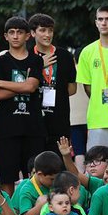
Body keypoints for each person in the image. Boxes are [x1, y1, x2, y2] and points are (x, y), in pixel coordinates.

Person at [0, 16, 46, 188]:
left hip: (33, 127)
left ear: (28, 35)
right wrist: (23, 85)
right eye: (12, 33)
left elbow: (31, 87)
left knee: (35, 176)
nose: (15, 36)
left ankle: (31, 210)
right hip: (7, 128)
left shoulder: (36, 60)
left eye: (20, 32)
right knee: (7, 177)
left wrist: (2, 82)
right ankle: (10, 214)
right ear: (5, 36)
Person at [28, 14, 77, 157]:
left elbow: (72, 89)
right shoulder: (28, 56)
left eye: (50, 30)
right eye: (42, 30)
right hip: (34, 120)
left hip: (59, 120)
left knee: (60, 163)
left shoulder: (65, 56)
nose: (47, 34)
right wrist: (39, 66)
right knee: (35, 164)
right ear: (32, 33)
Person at [77, 5, 108, 151]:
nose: (104, 23)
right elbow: (88, 87)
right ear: (96, 22)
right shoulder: (87, 51)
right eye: (100, 19)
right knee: (97, 167)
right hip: (97, 120)